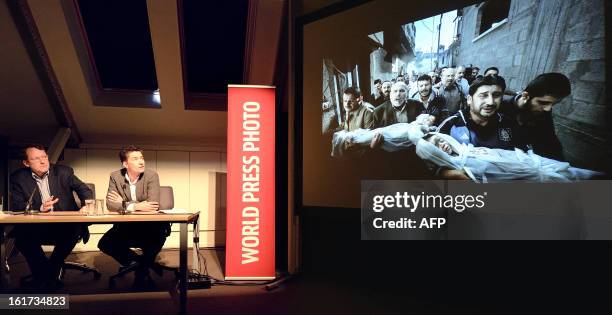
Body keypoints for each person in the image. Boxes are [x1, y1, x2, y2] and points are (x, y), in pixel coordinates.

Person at [10, 144, 93, 290]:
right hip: (37, 227)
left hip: (65, 226)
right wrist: (40, 208)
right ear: (26, 163)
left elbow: (84, 189)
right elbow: (17, 205)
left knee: (73, 231)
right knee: (21, 236)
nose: (43, 161)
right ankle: (50, 276)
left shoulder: (64, 172)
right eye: (36, 159)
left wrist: (87, 205)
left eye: (44, 157)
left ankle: (46, 276)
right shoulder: (18, 177)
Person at [98, 145, 168, 289]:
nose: (141, 162)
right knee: (105, 243)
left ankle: (141, 274)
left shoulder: (151, 175)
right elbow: (110, 205)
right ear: (125, 164)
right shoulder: (115, 176)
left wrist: (123, 204)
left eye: (142, 158)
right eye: (135, 159)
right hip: (126, 226)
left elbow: (153, 204)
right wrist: (136, 206)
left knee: (156, 239)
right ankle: (145, 264)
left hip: (150, 227)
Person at [416, 132, 602, 182]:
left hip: (525, 163)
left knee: (579, 174)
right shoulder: (450, 170)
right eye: (437, 147)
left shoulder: (464, 149)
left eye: (440, 140)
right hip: (523, 180)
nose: (443, 145)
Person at [437, 75, 526, 150]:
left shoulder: (508, 124)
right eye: (483, 96)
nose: (490, 102)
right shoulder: (451, 124)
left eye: (496, 95)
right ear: (469, 99)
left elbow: (524, 158)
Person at [500, 73, 571, 160]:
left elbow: (551, 145)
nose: (548, 109)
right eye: (543, 102)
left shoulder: (543, 113)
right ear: (526, 96)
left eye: (554, 104)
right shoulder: (500, 107)